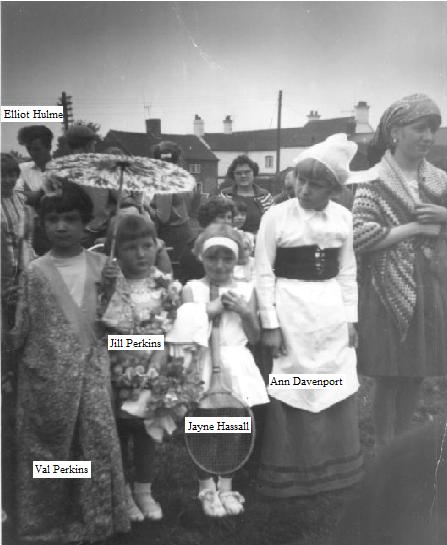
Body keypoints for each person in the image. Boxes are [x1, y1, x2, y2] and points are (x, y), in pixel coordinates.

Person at [10, 181, 129, 543]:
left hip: (91, 373)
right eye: (53, 219)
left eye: (71, 219)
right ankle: (47, 519)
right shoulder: (34, 272)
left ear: (86, 223)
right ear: (42, 223)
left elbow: (121, 322)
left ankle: (94, 517)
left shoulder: (104, 266)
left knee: (94, 442)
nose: (61, 227)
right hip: (45, 376)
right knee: (49, 446)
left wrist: (111, 288)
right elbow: (22, 326)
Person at [255, 133, 363, 497]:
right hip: (290, 308)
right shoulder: (275, 217)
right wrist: (270, 325)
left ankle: (335, 467)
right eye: (301, 181)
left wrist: (351, 318)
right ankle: (292, 469)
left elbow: (347, 271)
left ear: (333, 189)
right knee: (294, 378)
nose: (304, 191)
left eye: (315, 186)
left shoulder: (344, 218)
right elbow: (263, 272)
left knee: (331, 375)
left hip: (330, 308)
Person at [353, 93, 447, 450]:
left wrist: (444, 217)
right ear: (395, 132)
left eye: (432, 130)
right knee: (389, 373)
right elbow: (359, 234)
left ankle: (403, 444)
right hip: (385, 285)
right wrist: (413, 229)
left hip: (430, 282)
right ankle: (384, 446)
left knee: (416, 372)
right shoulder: (373, 180)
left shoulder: (439, 180)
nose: (427, 137)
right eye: (419, 128)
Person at [169, 223, 269, 516]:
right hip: (202, 363)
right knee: (203, 428)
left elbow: (254, 337)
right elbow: (185, 334)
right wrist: (206, 311)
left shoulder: (247, 290)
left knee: (232, 426)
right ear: (201, 257)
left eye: (227, 258)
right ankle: (205, 488)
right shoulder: (191, 288)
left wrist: (246, 312)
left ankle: (226, 486)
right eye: (212, 258)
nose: (220, 265)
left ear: (238, 259)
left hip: (236, 363)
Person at [99, 215, 182, 522]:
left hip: (153, 367)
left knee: (147, 432)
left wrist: (155, 364)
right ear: (115, 251)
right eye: (131, 247)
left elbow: (168, 333)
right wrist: (106, 286)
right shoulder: (109, 283)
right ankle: (121, 492)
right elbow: (104, 330)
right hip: (115, 369)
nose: (141, 254)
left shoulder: (163, 286)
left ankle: (143, 491)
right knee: (118, 432)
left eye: (147, 246)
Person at [65, 124, 117, 247]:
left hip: (74, 232)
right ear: (88, 145)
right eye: (94, 144)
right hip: (100, 232)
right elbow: (121, 198)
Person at [150, 141, 201, 262]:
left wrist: (146, 208)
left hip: (170, 235)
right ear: (178, 159)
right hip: (186, 231)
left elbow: (163, 217)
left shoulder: (165, 182)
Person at [16, 125, 54, 254]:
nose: (32, 153)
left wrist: (31, 195)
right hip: (25, 228)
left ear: (48, 147)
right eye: (29, 149)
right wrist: (39, 195)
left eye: (37, 149)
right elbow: (13, 195)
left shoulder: (59, 170)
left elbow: (53, 201)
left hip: (50, 229)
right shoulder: (21, 168)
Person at [221, 155, 273, 233]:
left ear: (253, 173)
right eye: (238, 173)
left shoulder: (265, 196)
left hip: (259, 240)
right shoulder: (225, 195)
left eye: (247, 172)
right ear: (233, 175)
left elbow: (272, 222)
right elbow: (218, 222)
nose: (243, 176)